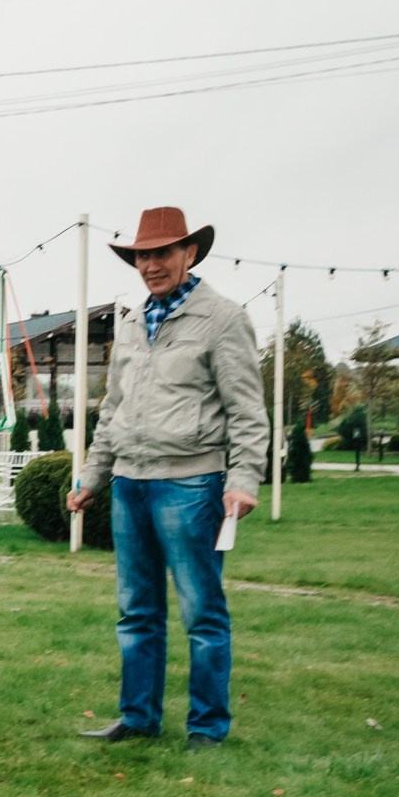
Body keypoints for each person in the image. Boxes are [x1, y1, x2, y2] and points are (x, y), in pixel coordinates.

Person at [66, 207, 267, 749]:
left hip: (193, 485)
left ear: (190, 254)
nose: (151, 265)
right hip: (128, 484)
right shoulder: (130, 324)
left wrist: (243, 478)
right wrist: (92, 476)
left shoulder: (223, 318)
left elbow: (248, 410)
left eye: (162, 253)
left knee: (202, 612)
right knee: (137, 612)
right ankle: (138, 719)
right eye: (143, 255)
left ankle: (206, 728)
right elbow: (114, 409)